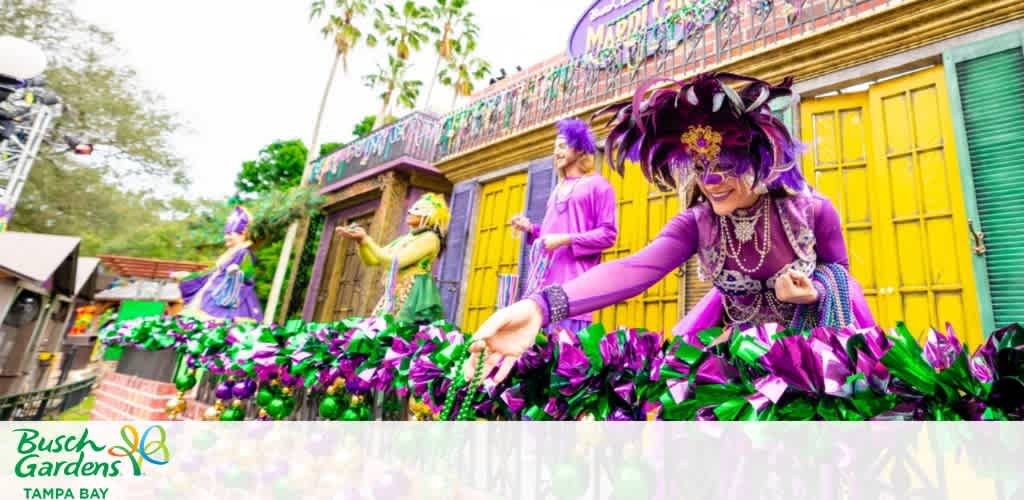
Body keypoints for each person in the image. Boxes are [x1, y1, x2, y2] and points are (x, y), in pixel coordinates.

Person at [467, 73, 876, 382]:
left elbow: (841, 276)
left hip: (811, 359)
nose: (711, 181)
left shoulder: (812, 211)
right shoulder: (697, 224)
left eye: (725, 167)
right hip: (734, 360)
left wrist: (814, 291)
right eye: (701, 168)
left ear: (757, 160)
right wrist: (539, 306)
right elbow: (634, 269)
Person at [509, 118, 618, 333]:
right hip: (542, 285)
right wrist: (532, 229)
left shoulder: (598, 185)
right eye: (554, 148)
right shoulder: (557, 190)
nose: (556, 152)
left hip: (572, 286)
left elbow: (608, 235)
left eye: (561, 146)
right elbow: (552, 235)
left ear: (579, 149)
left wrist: (566, 239)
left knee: (564, 356)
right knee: (537, 354)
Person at [336, 192, 450, 324]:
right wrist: (360, 241)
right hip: (394, 291)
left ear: (429, 216)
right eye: (412, 208)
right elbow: (372, 260)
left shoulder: (430, 238)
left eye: (417, 209)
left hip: (414, 293)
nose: (410, 211)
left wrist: (366, 239)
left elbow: (394, 262)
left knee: (402, 333)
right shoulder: (405, 238)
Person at [172, 206, 263, 322]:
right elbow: (210, 273)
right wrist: (188, 276)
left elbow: (248, 275)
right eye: (226, 234)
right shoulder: (228, 254)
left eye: (230, 233)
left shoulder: (244, 252)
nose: (226, 237)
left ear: (243, 234)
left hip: (232, 296)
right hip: (211, 294)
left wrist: (235, 274)